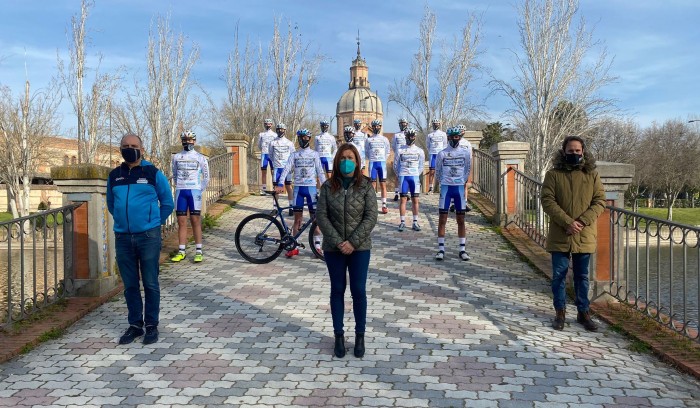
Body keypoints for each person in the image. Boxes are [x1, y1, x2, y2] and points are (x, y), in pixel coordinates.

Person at [107, 133, 174, 345]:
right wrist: (122, 222)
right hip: (123, 238)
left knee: (150, 283)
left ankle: (152, 325)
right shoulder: (114, 175)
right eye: (125, 145)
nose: (130, 148)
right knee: (130, 285)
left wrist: (153, 223)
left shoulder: (153, 173)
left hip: (148, 237)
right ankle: (135, 325)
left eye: (134, 145)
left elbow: (167, 203)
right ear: (120, 149)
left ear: (142, 149)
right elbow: (111, 204)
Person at [316, 143, 378, 359]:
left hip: (360, 248)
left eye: (350, 157)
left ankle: (360, 336)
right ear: (336, 161)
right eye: (342, 158)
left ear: (357, 161)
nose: (346, 162)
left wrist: (352, 242)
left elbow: (371, 217)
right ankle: (339, 336)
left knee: (358, 290)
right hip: (334, 249)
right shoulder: (327, 187)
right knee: (338, 289)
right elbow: (321, 217)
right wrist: (338, 241)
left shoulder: (366, 186)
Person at [541, 135, 606, 332]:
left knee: (582, 276)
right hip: (560, 233)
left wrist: (581, 221)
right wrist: (568, 222)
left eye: (578, 151)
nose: (574, 154)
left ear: (583, 152)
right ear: (564, 152)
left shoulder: (592, 174)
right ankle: (559, 312)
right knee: (559, 276)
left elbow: (600, 201)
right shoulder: (553, 174)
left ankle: (583, 312)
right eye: (571, 151)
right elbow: (547, 200)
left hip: (584, 233)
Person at [276, 128, 327, 258]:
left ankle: (317, 247)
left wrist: (326, 186)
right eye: (302, 137)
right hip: (298, 189)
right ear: (299, 138)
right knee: (297, 220)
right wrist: (280, 183)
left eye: (306, 137)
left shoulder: (314, 154)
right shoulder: (294, 154)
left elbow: (320, 171)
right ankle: (294, 246)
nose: (304, 140)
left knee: (316, 220)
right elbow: (287, 168)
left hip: (311, 189)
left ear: (309, 139)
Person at [170, 131, 210, 263]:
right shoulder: (176, 157)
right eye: (185, 140)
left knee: (195, 220)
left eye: (190, 140)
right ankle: (182, 251)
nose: (188, 142)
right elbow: (175, 174)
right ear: (182, 141)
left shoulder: (200, 157)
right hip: (181, 191)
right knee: (181, 221)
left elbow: (206, 177)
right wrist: (179, 185)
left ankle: (199, 251)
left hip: (194, 192)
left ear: (195, 141)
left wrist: (199, 189)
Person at [434, 127, 471, 261]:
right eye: (453, 137)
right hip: (446, 188)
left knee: (461, 220)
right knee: (442, 219)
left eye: (457, 137)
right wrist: (444, 181)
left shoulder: (465, 153)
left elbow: (468, 169)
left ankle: (462, 250)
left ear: (460, 137)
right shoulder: (442, 154)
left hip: (459, 188)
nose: (455, 139)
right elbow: (438, 171)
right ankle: (441, 249)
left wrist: (461, 181)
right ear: (448, 137)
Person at [393, 127, 425, 232]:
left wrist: (415, 173)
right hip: (403, 177)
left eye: (412, 136)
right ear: (405, 137)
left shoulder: (420, 151)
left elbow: (421, 166)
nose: (410, 138)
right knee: (403, 200)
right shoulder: (400, 150)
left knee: (415, 200)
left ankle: (415, 222)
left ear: (415, 137)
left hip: (414, 177)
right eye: (408, 136)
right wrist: (401, 174)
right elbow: (395, 165)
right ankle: (402, 222)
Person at [364, 119, 391, 214]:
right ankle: (372, 205)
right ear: (372, 127)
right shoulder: (369, 139)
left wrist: (383, 158)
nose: (376, 128)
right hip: (372, 163)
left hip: (381, 163)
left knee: (383, 184)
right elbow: (366, 151)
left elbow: (388, 151)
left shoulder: (384, 139)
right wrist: (371, 158)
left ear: (380, 127)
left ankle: (384, 205)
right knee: (372, 185)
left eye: (378, 126)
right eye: (374, 126)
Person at [269, 123, 296, 216]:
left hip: (287, 168)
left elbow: (293, 155)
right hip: (277, 168)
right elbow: (270, 155)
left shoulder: (289, 143)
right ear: (276, 130)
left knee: (289, 187)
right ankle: (275, 208)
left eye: (282, 129)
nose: (280, 131)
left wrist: (292, 167)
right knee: (276, 188)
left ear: (285, 130)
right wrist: (274, 165)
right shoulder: (272, 142)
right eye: (278, 129)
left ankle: (291, 207)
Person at [426, 119, 447, 194]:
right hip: (432, 154)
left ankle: (441, 187)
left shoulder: (443, 134)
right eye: (434, 124)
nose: (436, 125)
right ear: (432, 124)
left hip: (441, 154)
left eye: (437, 124)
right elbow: (427, 145)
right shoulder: (430, 135)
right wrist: (431, 151)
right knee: (432, 172)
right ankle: (430, 188)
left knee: (442, 171)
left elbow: (445, 144)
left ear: (439, 124)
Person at [257, 118, 277, 194]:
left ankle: (274, 187)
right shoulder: (261, 134)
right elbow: (259, 144)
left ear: (271, 125)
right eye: (266, 124)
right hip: (264, 154)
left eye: (269, 124)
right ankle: (264, 189)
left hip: (272, 155)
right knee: (263, 172)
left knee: (273, 171)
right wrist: (263, 150)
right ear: (264, 124)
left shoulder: (275, 135)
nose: (267, 125)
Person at [391, 118, 409, 201]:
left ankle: (406, 193)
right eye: (401, 123)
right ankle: (396, 193)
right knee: (397, 175)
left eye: (404, 123)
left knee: (407, 175)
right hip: (398, 157)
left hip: (406, 157)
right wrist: (398, 152)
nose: (402, 125)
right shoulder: (396, 135)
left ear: (407, 124)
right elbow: (393, 146)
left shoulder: (409, 133)